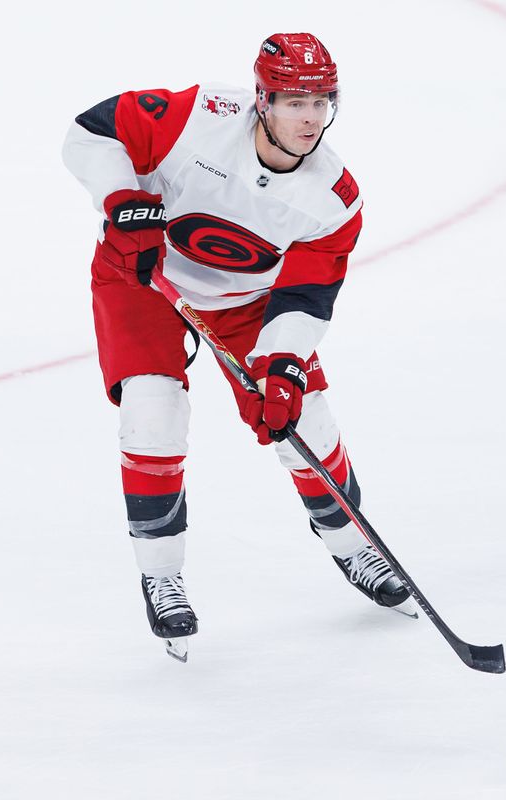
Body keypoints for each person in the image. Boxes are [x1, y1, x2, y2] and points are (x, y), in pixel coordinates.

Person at [63, 32, 412, 661]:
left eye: (321, 102)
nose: (310, 117)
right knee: (153, 414)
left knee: (305, 417)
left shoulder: (334, 200)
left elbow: (305, 298)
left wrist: (280, 370)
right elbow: (91, 133)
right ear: (262, 99)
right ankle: (161, 572)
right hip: (143, 275)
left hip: (249, 301)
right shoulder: (198, 117)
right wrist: (121, 202)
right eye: (294, 101)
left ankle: (353, 545)